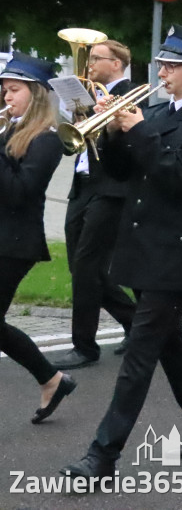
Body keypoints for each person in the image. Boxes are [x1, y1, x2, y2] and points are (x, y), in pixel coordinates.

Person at [62, 25, 182, 481]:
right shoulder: (153, 112)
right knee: (171, 343)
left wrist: (136, 130)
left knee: (139, 356)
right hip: (139, 245)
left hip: (172, 253)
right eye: (161, 64)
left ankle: (103, 455)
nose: (162, 71)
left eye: (173, 65)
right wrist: (110, 131)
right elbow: (120, 172)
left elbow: (179, 174)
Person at [51, 40, 138, 369]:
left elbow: (128, 146)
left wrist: (107, 120)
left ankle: (84, 346)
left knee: (87, 265)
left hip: (112, 189)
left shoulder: (129, 94)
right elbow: (71, 146)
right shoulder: (87, 95)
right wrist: (77, 116)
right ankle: (133, 321)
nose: (89, 64)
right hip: (83, 185)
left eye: (96, 58)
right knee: (82, 268)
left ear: (116, 64)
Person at [0, 52, 77, 423]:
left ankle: (51, 379)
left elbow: (20, 192)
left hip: (13, 243)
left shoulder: (47, 140)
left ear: (37, 94)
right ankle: (51, 378)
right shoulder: (9, 130)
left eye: (14, 90)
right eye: (4, 89)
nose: (6, 97)